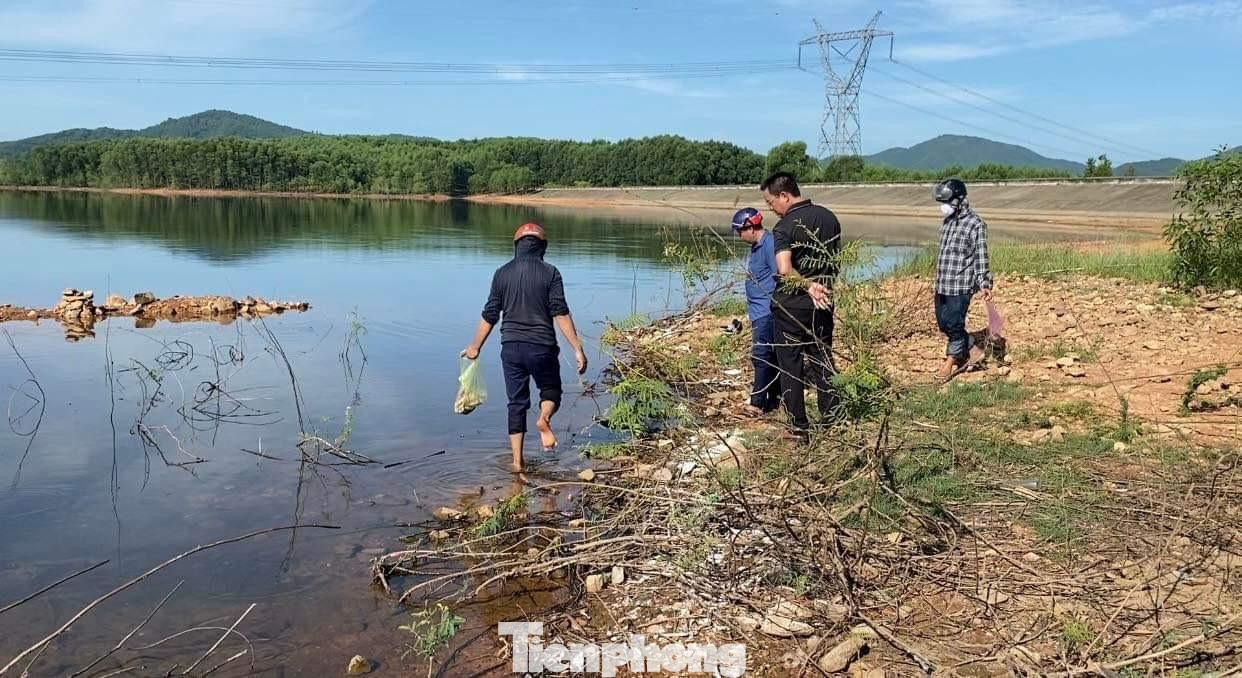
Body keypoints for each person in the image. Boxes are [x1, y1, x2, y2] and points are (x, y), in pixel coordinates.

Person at [462, 223, 588, 471]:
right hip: (542, 346)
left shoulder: (501, 273)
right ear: (542, 247)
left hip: (510, 348)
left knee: (516, 403)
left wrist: (475, 346)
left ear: (516, 247)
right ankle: (543, 419)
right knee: (551, 390)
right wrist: (577, 348)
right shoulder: (550, 273)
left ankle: (517, 463)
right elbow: (560, 312)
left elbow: (490, 314)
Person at [760, 171, 841, 440]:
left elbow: (784, 270)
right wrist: (820, 285)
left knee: (790, 365)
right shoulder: (829, 217)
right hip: (824, 301)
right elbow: (834, 262)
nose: (771, 209)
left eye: (771, 203)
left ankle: (798, 428)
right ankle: (833, 421)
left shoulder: (785, 227)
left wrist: (807, 285)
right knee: (823, 359)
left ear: (784, 195)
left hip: (791, 307)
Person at [931, 178, 994, 382]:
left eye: (948, 202)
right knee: (944, 323)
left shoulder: (976, 224)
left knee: (954, 323)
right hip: (943, 283)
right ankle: (971, 347)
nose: (944, 207)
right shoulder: (948, 222)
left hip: (961, 284)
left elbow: (980, 256)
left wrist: (984, 283)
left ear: (959, 200)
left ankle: (950, 362)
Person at [731, 207, 782, 416]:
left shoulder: (769, 244)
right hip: (758, 311)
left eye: (739, 230)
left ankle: (757, 404)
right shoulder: (756, 247)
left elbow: (779, 276)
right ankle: (773, 400)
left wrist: (772, 306)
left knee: (761, 356)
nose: (737, 235)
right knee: (770, 356)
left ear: (750, 227)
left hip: (767, 311)